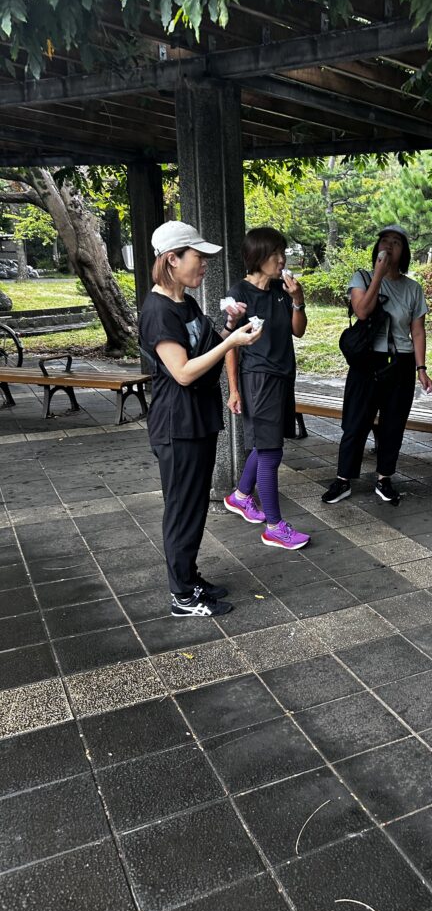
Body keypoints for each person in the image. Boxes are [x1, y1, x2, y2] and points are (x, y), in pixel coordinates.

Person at [139, 220, 261, 618]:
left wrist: (229, 326)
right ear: (172, 260)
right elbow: (184, 371)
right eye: (199, 257)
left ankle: (190, 578)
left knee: (194, 507)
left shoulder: (184, 303)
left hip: (199, 420)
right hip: (177, 426)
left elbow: (205, 351)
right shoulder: (158, 311)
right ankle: (181, 595)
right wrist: (231, 342)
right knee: (182, 509)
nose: (205, 265)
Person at [321, 224, 432, 507]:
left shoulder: (413, 288)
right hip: (367, 361)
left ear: (404, 251)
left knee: (393, 423)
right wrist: (379, 276)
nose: (389, 246)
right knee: (355, 422)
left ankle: (384, 478)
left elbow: (417, 331)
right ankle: (344, 479)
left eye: (396, 242)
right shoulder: (362, 278)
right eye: (385, 241)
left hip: (401, 362)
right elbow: (362, 310)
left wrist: (421, 368)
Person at [223, 227, 311, 550]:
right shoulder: (239, 294)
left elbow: (297, 331)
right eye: (275, 253)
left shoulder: (280, 289)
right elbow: (231, 345)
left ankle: (240, 496)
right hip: (257, 379)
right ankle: (274, 526)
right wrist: (233, 389)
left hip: (283, 376)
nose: (282, 258)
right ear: (258, 256)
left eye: (282, 252)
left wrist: (298, 301)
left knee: (265, 443)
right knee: (272, 452)